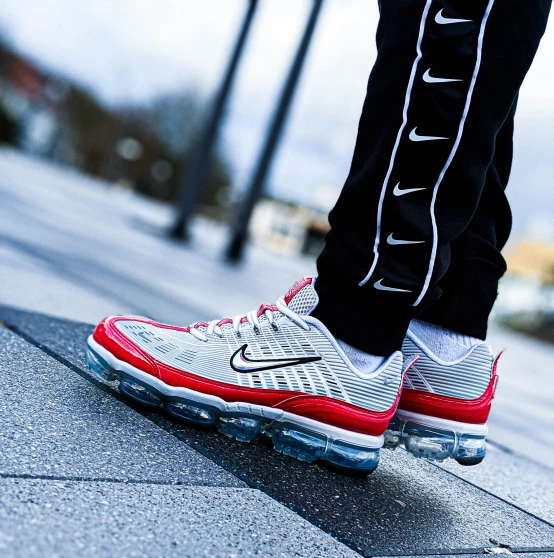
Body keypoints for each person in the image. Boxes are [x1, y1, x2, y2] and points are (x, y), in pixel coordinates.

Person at [86, 0, 551, 474]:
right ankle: (436, 333)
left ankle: (351, 332)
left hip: (365, 304)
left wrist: (361, 304)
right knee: (487, 42)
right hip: (444, 302)